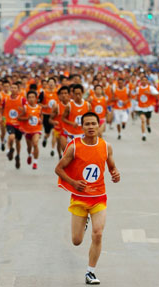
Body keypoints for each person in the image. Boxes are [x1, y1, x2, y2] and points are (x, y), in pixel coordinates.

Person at [55, 112, 120, 285]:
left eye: (93, 123)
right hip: (79, 199)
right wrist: (73, 182)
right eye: (87, 124)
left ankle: (90, 272)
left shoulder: (106, 146)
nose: (91, 127)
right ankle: (83, 224)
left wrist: (115, 174)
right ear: (82, 127)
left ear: (98, 125)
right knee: (76, 241)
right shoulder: (74, 147)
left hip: (99, 198)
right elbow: (59, 169)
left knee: (98, 233)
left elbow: (112, 166)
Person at [2, 82, 27, 169]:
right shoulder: (5, 99)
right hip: (9, 122)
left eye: (15, 88)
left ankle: (18, 156)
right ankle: (10, 149)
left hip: (19, 123)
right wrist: (3, 119)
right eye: (11, 88)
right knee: (11, 137)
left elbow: (27, 110)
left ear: (18, 90)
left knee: (18, 141)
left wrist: (23, 111)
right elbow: (2, 109)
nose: (13, 89)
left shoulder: (22, 99)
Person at [20, 90, 43, 170]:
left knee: (35, 144)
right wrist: (26, 118)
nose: (31, 99)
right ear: (27, 99)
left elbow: (41, 116)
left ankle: (35, 162)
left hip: (36, 130)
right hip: (27, 131)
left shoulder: (39, 107)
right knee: (29, 146)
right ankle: (30, 154)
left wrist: (41, 120)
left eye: (33, 97)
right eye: (29, 97)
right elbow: (19, 118)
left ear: (36, 98)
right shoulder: (25, 108)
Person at [133, 76, 159, 141]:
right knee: (143, 120)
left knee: (147, 120)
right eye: (142, 80)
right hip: (140, 107)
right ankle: (143, 135)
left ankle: (148, 126)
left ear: (147, 81)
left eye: (145, 80)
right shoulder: (138, 88)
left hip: (148, 107)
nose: (144, 81)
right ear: (141, 81)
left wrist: (149, 93)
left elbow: (157, 95)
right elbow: (136, 97)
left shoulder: (150, 88)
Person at [39, 77, 58, 156]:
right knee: (48, 133)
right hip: (46, 115)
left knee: (54, 132)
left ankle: (53, 149)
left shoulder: (58, 92)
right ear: (47, 84)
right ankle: (45, 138)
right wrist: (44, 106)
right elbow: (38, 103)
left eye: (52, 82)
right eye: (49, 82)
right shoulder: (43, 92)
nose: (51, 84)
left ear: (55, 83)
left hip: (55, 115)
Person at [50, 86, 70, 159]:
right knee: (60, 145)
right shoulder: (56, 106)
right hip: (59, 129)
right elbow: (50, 119)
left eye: (65, 93)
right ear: (59, 95)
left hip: (70, 131)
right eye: (62, 93)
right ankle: (60, 156)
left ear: (69, 94)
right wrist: (53, 122)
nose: (64, 95)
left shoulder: (72, 105)